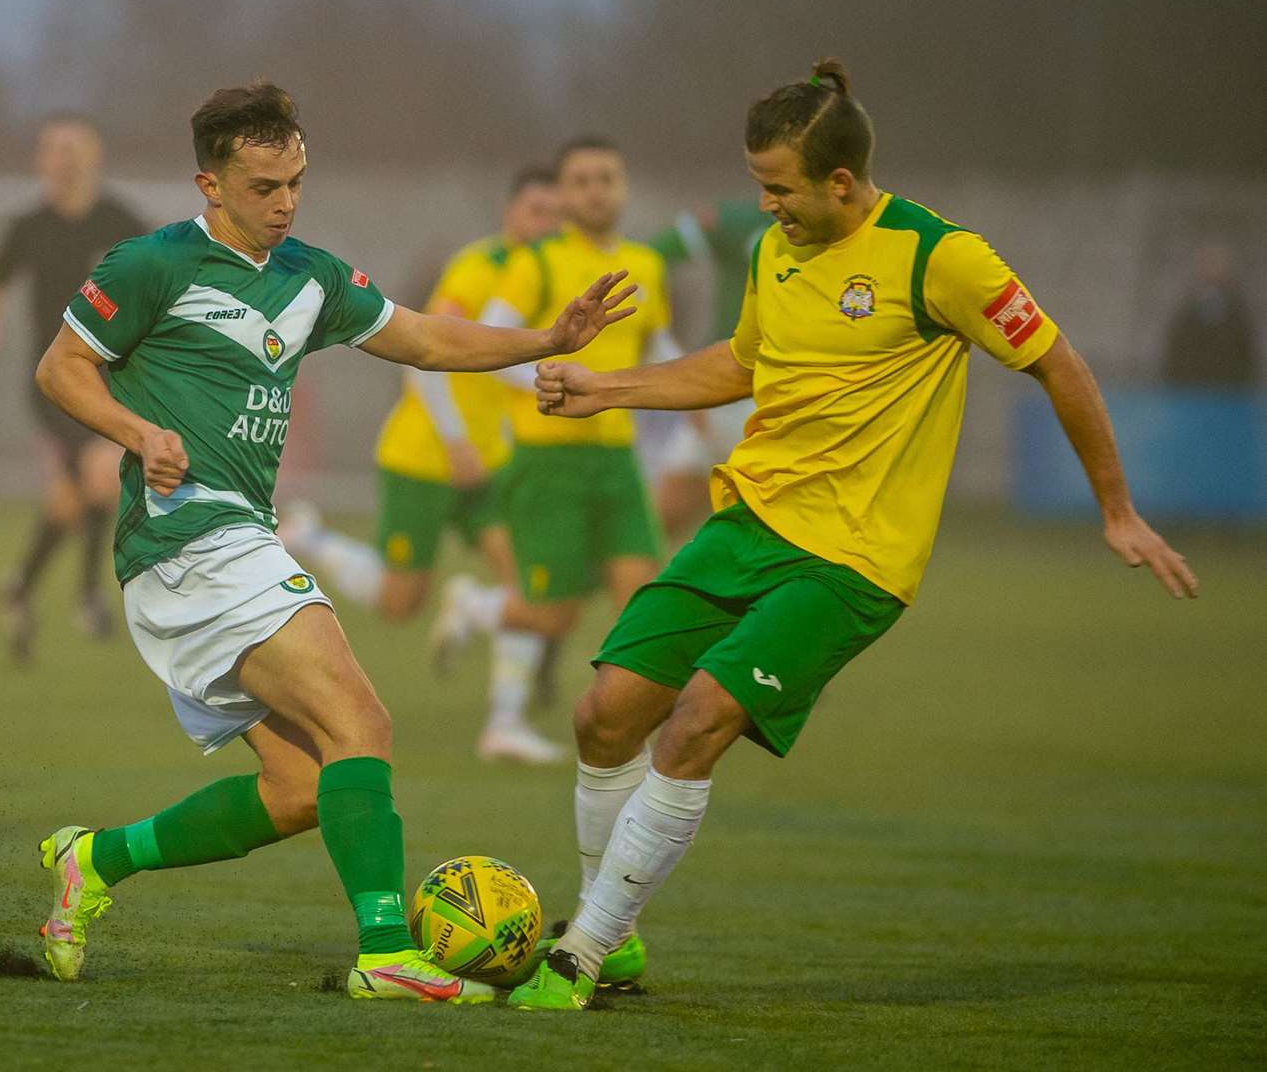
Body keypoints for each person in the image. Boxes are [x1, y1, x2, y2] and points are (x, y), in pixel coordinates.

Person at [508, 58, 1199, 1011]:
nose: (766, 206)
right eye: (760, 186)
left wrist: (1116, 509)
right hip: (748, 521)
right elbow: (746, 363)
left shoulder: (939, 258)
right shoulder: (773, 249)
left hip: (855, 559)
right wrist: (608, 388)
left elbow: (1060, 364)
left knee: (696, 721)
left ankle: (581, 953)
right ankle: (611, 932)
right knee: (603, 716)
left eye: (779, 189)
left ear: (841, 181)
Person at [31, 81, 636, 1000]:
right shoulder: (148, 264)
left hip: (226, 543)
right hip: (191, 538)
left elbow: (425, 340)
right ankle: (386, 952)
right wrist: (139, 433)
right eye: (265, 186)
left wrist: (545, 338)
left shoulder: (310, 275)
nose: (285, 203)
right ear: (211, 184)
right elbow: (60, 366)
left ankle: (97, 862)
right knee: (364, 723)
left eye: (297, 182)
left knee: (305, 789)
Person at [278, 167, 566, 762]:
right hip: (424, 457)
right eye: (537, 210)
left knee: (531, 587)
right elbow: (421, 355)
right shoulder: (477, 268)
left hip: (489, 465)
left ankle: (504, 724)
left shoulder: (543, 273)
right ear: (512, 211)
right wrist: (456, 438)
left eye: (554, 213)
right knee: (399, 604)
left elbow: (498, 361)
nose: (548, 223)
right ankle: (307, 536)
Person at [429, 138, 678, 752]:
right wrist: (555, 383)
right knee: (551, 613)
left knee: (646, 598)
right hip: (546, 459)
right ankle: (478, 608)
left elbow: (658, 349)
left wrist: (705, 415)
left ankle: (640, 734)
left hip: (617, 458)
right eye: (582, 180)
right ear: (563, 195)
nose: (596, 190)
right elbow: (487, 344)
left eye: (607, 178)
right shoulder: (534, 261)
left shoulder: (645, 264)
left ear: (623, 187)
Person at [0, 114, 147, 662]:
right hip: (53, 382)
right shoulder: (30, 227)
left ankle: (20, 587)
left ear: (95, 155)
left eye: (76, 147)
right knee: (102, 475)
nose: (66, 157)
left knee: (72, 500)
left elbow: (159, 282)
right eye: (55, 148)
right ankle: (90, 595)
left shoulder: (120, 221)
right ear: (41, 161)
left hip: (111, 377)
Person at [647, 199, 773, 538]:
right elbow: (654, 253)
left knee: (765, 522)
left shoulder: (835, 234)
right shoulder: (741, 223)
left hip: (780, 391)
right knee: (660, 520)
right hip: (726, 381)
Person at [1161, 244, 1258, 390]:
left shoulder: (1236, 309)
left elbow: (1245, 347)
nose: (1212, 270)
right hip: (1192, 386)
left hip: (1228, 387)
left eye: (1217, 265)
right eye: (1209, 264)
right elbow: (1177, 344)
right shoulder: (1188, 308)